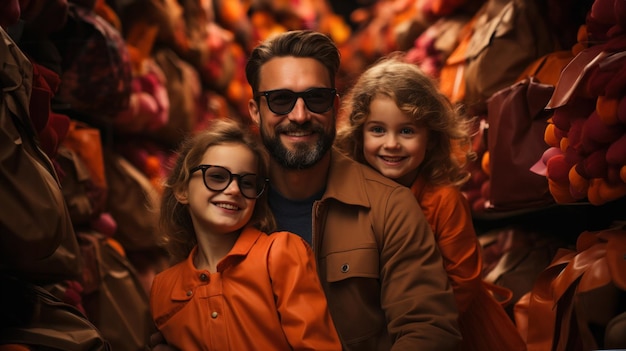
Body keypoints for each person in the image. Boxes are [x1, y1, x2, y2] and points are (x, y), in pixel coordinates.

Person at [151, 29, 461, 350]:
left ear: (335, 107)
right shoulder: (226, 203)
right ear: (255, 111)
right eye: (281, 100)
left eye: (315, 98)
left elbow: (428, 328)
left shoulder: (389, 206)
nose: (299, 116)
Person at [335, 55, 527, 351]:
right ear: (359, 134)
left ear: (432, 136)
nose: (391, 143)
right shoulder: (355, 195)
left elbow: (462, 281)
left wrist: (419, 329)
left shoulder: (443, 200)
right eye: (377, 130)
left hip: (453, 328)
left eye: (407, 131)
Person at [150, 117, 342, 350]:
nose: (233, 190)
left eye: (247, 183)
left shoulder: (280, 253)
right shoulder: (163, 288)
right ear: (182, 189)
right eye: (217, 177)